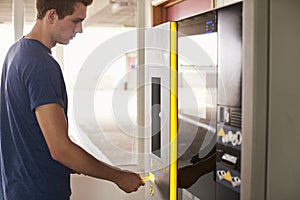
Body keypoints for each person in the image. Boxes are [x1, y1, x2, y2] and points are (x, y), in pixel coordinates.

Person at [0, 0, 144, 199]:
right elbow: (60, 149)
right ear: (51, 16)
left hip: (15, 189)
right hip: (39, 193)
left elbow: (29, 132)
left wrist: (78, 161)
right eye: (75, 21)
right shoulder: (41, 65)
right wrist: (119, 177)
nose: (80, 29)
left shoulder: (16, 52)